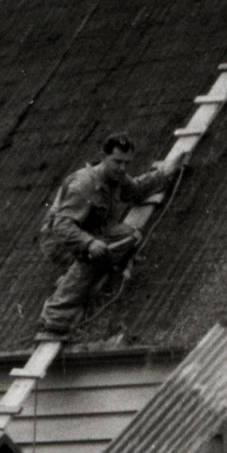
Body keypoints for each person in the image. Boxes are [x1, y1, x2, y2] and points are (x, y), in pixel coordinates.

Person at [37, 132, 190, 337]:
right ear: (104, 156)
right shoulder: (84, 184)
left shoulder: (115, 177)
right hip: (59, 240)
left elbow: (136, 190)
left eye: (126, 163)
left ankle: (75, 274)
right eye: (117, 162)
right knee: (96, 256)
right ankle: (56, 315)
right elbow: (62, 226)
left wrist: (166, 172)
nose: (122, 168)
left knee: (126, 236)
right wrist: (89, 243)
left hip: (85, 230)